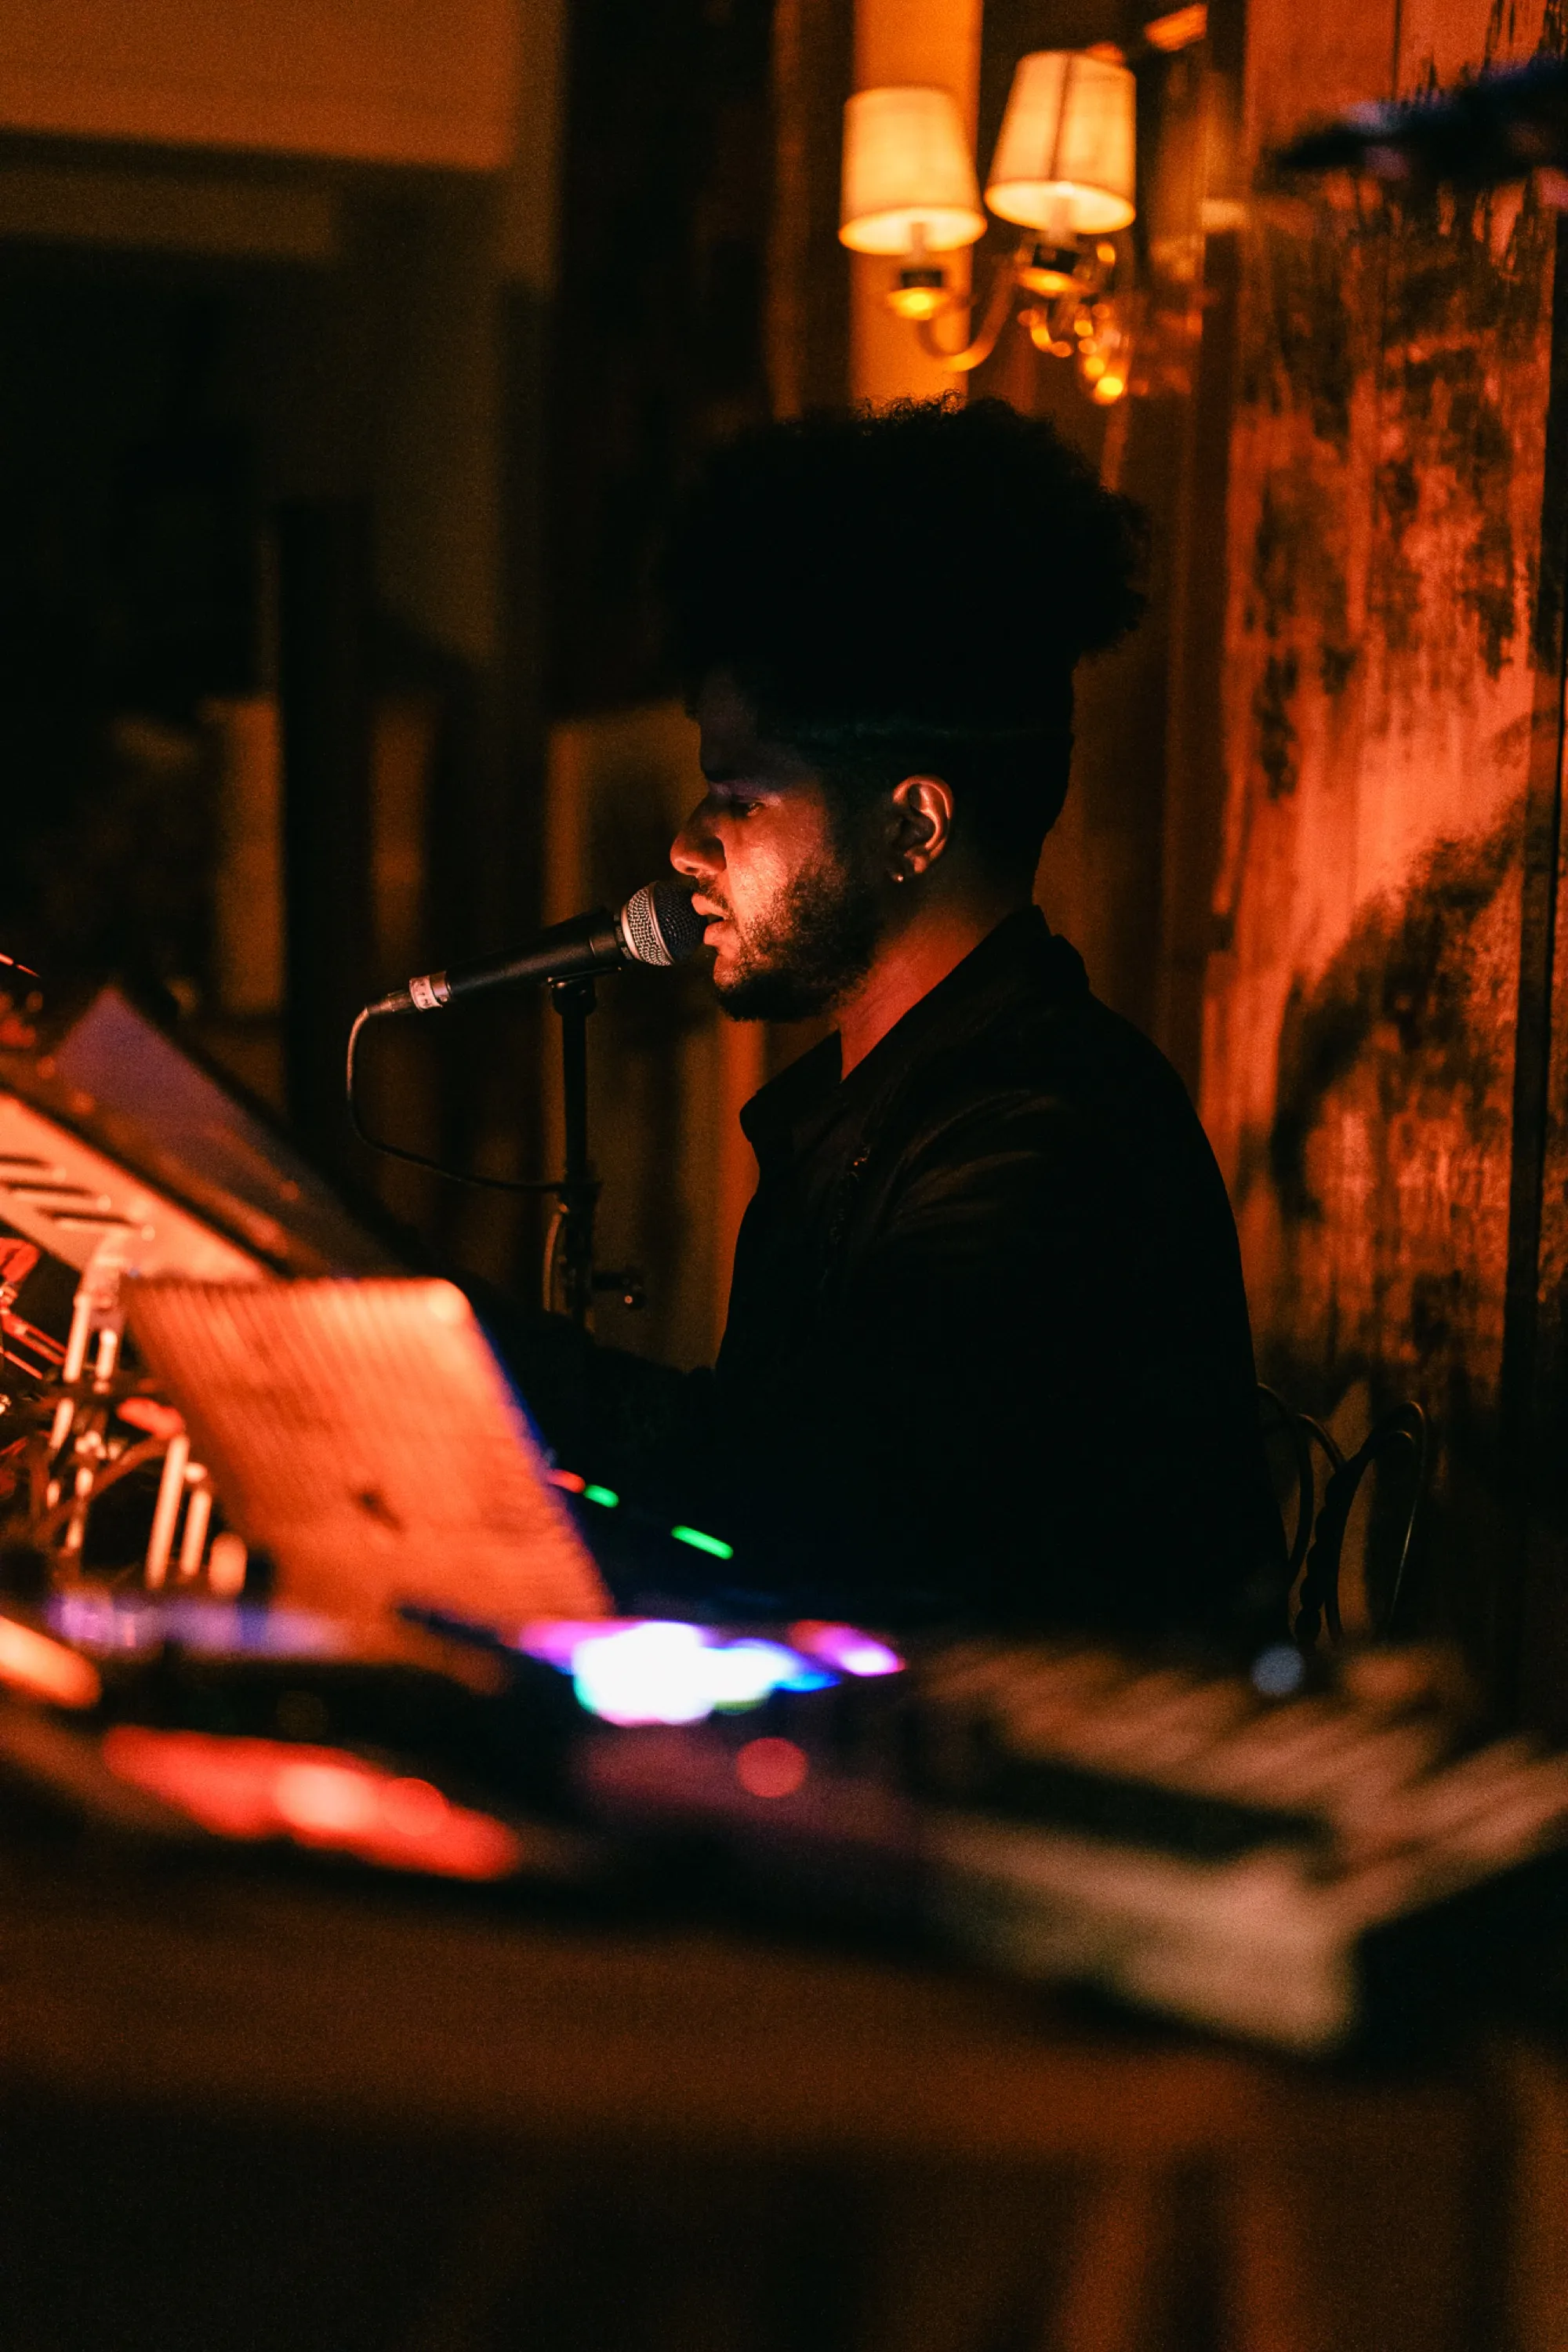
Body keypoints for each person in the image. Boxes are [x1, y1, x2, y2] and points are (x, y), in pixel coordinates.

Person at [513, 396, 1284, 1641]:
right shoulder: (860, 1117)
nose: (686, 848)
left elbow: (819, 1499)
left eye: (740, 800)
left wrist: (459, 1353)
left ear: (914, 827)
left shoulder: (1052, 1137)